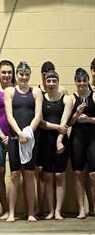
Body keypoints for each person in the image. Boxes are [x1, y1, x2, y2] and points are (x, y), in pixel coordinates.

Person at [4, 61, 43, 222]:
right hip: (15, 137)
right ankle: (12, 213)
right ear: (16, 75)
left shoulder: (36, 92)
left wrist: (28, 133)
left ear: (29, 75)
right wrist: (20, 133)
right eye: (21, 74)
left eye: (27, 74)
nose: (24, 77)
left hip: (30, 138)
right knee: (14, 175)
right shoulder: (10, 91)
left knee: (29, 174)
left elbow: (38, 116)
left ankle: (31, 213)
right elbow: (9, 116)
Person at [38, 70, 73, 220]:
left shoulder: (67, 99)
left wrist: (59, 140)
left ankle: (58, 210)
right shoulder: (40, 98)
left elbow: (64, 124)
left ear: (58, 82)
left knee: (59, 175)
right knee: (47, 176)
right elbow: (40, 122)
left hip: (61, 140)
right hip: (45, 140)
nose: (51, 84)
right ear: (45, 82)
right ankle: (50, 210)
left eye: (54, 81)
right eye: (48, 81)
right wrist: (56, 127)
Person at [68, 68, 95, 219]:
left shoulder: (94, 96)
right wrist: (77, 114)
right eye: (79, 81)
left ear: (88, 81)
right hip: (77, 138)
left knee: (93, 175)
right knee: (78, 173)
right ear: (75, 82)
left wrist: (89, 119)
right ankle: (81, 209)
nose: (82, 84)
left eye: (84, 81)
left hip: (92, 137)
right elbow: (69, 123)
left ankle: (93, 207)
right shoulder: (72, 98)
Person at [0, 60, 16, 219]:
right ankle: (6, 209)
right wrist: (1, 135)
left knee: (16, 173)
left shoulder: (17, 90)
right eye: (3, 72)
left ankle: (14, 209)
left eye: (9, 72)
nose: (6, 75)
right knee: (0, 171)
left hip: (15, 136)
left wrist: (14, 135)